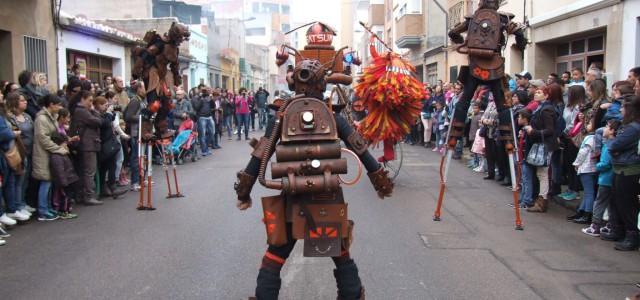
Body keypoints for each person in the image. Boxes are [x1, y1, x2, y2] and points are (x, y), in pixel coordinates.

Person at [602, 95, 640, 251]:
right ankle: (619, 230)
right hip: (621, 167)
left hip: (628, 170)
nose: (621, 110)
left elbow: (615, 145)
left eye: (624, 107)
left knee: (627, 203)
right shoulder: (629, 126)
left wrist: (613, 143)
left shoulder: (633, 128)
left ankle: (632, 236)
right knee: (617, 201)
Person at [582, 120, 620, 237]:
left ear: (613, 131)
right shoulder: (615, 144)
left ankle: (595, 226)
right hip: (613, 178)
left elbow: (605, 164)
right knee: (611, 204)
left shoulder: (609, 145)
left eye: (607, 127)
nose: (604, 129)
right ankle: (610, 226)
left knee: (600, 202)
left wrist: (597, 165)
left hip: (606, 178)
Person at [32, 94, 66, 221]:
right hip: (43, 154)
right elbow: (43, 139)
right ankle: (42, 210)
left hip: (50, 153)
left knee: (49, 181)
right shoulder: (41, 119)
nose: (59, 107)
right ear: (51, 104)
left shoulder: (51, 117)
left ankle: (47, 207)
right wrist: (58, 148)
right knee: (45, 181)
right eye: (58, 105)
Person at [525, 86, 558, 213]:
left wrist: (533, 131)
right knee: (541, 173)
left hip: (545, 144)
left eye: (539, 92)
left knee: (543, 173)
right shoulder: (541, 108)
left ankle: (542, 201)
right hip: (542, 143)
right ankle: (541, 199)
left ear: (546, 96)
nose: (536, 94)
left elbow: (550, 130)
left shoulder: (546, 110)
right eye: (536, 91)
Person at [69, 90, 103, 206]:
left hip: (86, 144)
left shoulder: (79, 111)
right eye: (89, 100)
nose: (91, 103)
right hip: (88, 145)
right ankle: (88, 196)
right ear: (82, 99)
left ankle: (82, 195)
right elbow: (98, 122)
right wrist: (94, 110)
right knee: (89, 171)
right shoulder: (82, 111)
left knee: (84, 170)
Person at [5, 92, 36, 216]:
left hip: (29, 151)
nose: (25, 102)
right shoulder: (10, 118)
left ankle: (22, 202)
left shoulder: (27, 116)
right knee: (18, 180)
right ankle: (17, 205)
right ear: (14, 102)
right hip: (18, 152)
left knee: (25, 180)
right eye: (22, 100)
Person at [94, 96, 127, 199]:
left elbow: (111, 119)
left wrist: (112, 112)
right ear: (98, 105)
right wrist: (108, 113)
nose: (106, 106)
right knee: (104, 167)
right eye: (104, 104)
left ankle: (112, 187)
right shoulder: (96, 114)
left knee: (112, 164)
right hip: (103, 143)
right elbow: (104, 123)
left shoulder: (104, 114)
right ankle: (106, 188)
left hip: (109, 142)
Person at [569, 123, 597, 224]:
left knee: (589, 192)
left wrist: (576, 163)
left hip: (587, 168)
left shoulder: (590, 138)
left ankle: (587, 214)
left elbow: (583, 153)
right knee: (587, 192)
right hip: (591, 168)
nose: (587, 124)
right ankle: (581, 211)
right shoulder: (596, 138)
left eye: (589, 123)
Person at [49, 129, 79, 220]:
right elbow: (59, 171)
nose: (66, 145)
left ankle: (67, 209)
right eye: (64, 143)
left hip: (69, 179)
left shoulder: (62, 153)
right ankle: (63, 211)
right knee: (64, 197)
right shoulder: (57, 156)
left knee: (68, 196)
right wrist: (63, 181)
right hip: (64, 181)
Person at [123, 80, 146, 191]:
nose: (145, 90)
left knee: (143, 157)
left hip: (143, 132)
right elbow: (128, 116)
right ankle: (135, 182)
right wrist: (143, 117)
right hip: (136, 133)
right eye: (144, 87)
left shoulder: (141, 100)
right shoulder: (135, 101)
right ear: (139, 89)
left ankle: (142, 179)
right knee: (136, 157)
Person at [192, 87, 216, 156]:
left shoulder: (209, 98)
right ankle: (204, 150)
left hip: (209, 117)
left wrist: (211, 99)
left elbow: (213, 106)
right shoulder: (198, 98)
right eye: (205, 91)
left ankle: (206, 147)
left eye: (208, 91)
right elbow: (196, 107)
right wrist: (201, 99)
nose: (207, 92)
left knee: (212, 133)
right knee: (202, 135)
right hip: (202, 117)